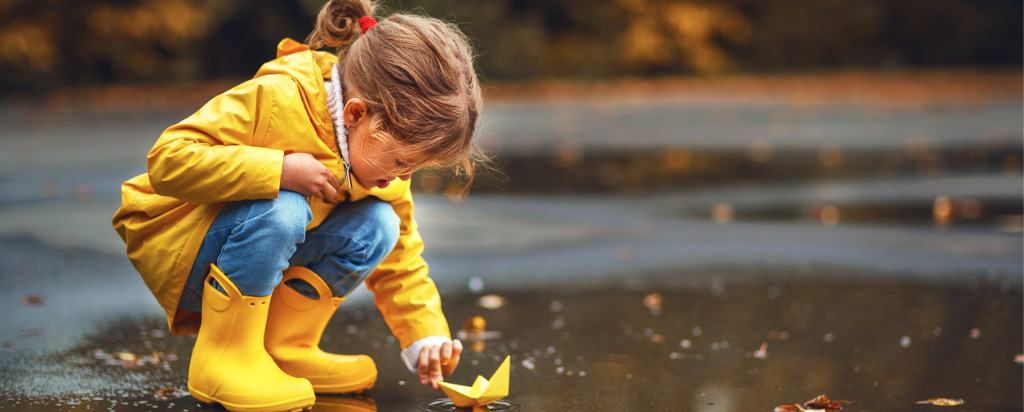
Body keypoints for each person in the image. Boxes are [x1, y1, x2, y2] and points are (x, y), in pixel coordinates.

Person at [112, 0, 483, 410]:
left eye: (415, 166)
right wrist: (277, 169)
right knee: (285, 206)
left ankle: (283, 348)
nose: (405, 176)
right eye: (401, 161)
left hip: (255, 249)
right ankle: (224, 358)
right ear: (356, 113)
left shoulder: (378, 159)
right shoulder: (277, 99)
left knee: (383, 222)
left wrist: (423, 333)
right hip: (179, 239)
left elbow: (402, 254)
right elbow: (168, 161)